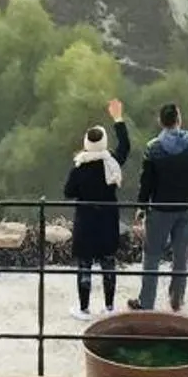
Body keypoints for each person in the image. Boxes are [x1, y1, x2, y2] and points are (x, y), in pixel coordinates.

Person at [128, 103, 188, 313]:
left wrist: (142, 205)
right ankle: (176, 299)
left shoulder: (153, 148)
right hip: (185, 207)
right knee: (181, 256)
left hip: (159, 209)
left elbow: (146, 182)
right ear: (179, 119)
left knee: (152, 256)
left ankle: (146, 302)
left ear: (161, 122)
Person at [62, 98, 130, 318]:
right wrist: (118, 118)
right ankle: (109, 307)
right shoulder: (112, 163)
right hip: (108, 219)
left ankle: (84, 308)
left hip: (85, 221)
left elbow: (68, 192)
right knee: (108, 262)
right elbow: (125, 146)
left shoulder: (79, 168)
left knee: (85, 264)